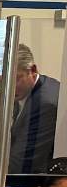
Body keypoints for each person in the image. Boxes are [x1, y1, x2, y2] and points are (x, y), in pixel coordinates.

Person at [8, 44, 59, 177]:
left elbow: (21, 165)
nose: (7, 88)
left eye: (15, 79)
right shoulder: (23, 92)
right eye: (0, 82)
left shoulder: (45, 103)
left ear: (33, 70)